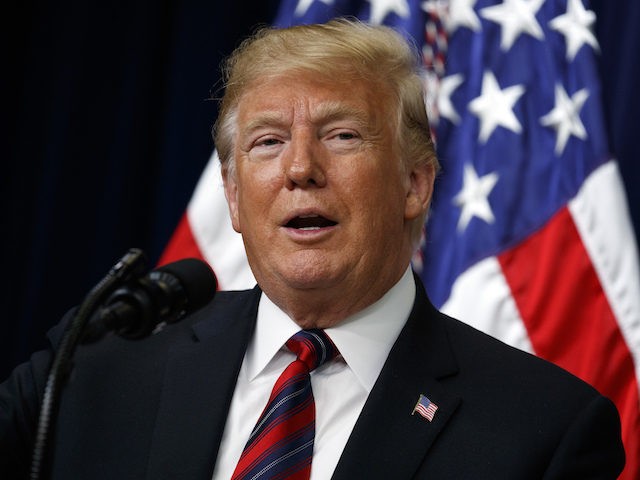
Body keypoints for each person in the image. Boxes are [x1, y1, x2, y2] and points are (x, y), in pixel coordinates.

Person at [0, 18, 625, 479]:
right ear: (234, 197)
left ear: (415, 183)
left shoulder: (546, 432)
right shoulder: (94, 370)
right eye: (268, 142)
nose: (300, 168)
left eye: (343, 135)